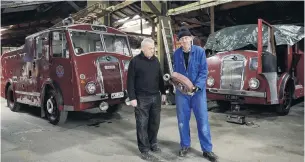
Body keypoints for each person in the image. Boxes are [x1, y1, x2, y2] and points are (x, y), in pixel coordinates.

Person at [172, 26, 218, 162]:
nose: (185, 41)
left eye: (187, 38)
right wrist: (178, 85)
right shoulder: (176, 53)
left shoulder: (199, 52)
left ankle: (207, 149)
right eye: (182, 39)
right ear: (179, 41)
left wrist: (197, 86)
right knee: (182, 121)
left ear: (191, 39)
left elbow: (204, 71)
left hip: (198, 92)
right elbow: (177, 72)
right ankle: (185, 145)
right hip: (182, 93)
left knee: (202, 120)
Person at [127, 38, 167, 160]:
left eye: (154, 48)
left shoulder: (156, 61)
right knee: (142, 124)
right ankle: (144, 149)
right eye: (150, 48)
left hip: (156, 96)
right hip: (141, 98)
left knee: (155, 123)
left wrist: (163, 92)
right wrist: (132, 97)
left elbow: (160, 77)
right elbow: (130, 81)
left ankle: (153, 143)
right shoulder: (135, 62)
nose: (153, 50)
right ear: (143, 49)